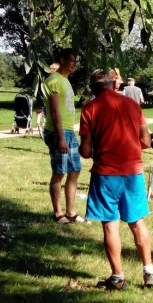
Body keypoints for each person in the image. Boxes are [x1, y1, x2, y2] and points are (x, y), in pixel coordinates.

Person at [79, 69, 153, 290]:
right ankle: (149, 273)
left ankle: (117, 277)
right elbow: (146, 141)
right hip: (133, 172)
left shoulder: (89, 108)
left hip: (105, 174)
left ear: (93, 88)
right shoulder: (132, 104)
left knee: (110, 225)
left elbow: (86, 151)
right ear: (113, 84)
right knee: (137, 222)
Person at [42, 48, 87, 225]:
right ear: (62, 60)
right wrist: (60, 137)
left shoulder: (65, 81)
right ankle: (58, 213)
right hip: (58, 132)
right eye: (71, 60)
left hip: (68, 131)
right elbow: (54, 112)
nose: (74, 64)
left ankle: (71, 212)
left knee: (75, 170)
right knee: (59, 172)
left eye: (76, 61)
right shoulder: (53, 81)